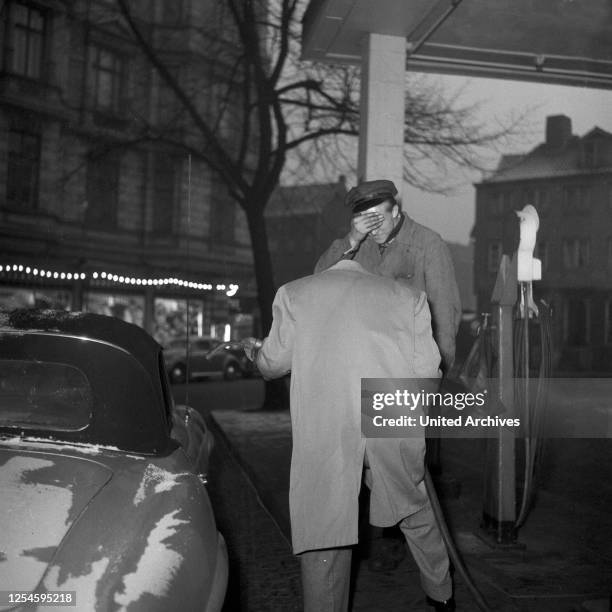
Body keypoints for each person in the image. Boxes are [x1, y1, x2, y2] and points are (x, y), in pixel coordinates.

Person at [242, 260, 455, 612]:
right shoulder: (408, 296)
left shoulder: (295, 293)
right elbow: (427, 374)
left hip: (328, 415)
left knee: (325, 526)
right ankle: (441, 593)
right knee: (414, 506)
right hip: (389, 407)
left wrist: (256, 351)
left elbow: (273, 363)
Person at [315, 179, 461, 376]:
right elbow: (319, 278)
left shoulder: (428, 245)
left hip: (411, 368)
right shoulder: (359, 245)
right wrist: (352, 240)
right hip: (365, 365)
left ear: (394, 212)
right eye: (365, 222)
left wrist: (438, 373)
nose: (373, 230)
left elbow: (444, 315)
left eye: (377, 220)